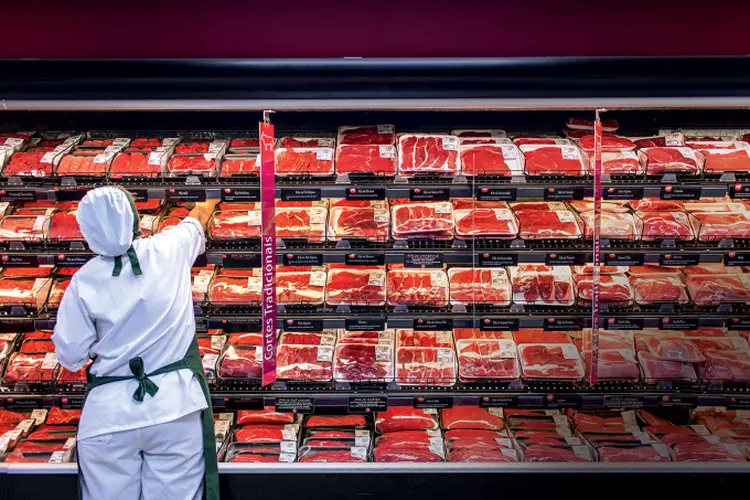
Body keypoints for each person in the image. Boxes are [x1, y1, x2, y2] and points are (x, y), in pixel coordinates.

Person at [52, 187, 220, 500]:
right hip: (175, 407)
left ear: (87, 231)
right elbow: (196, 220)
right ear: (135, 218)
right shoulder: (169, 248)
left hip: (108, 417)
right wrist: (210, 198)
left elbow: (70, 356)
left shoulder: (83, 281)